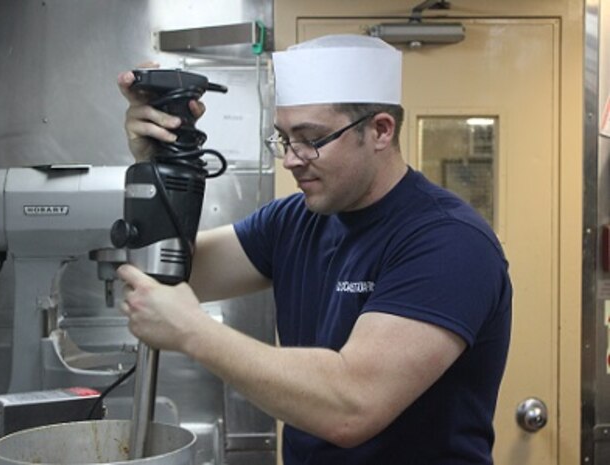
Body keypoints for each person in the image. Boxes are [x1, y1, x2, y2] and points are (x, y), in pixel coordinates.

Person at [116, 34, 512, 465]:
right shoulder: (294, 220)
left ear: (380, 130)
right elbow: (169, 271)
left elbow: (352, 406)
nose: (291, 159)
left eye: (311, 139)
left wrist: (193, 331)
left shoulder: (448, 241)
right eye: (285, 139)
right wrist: (164, 165)